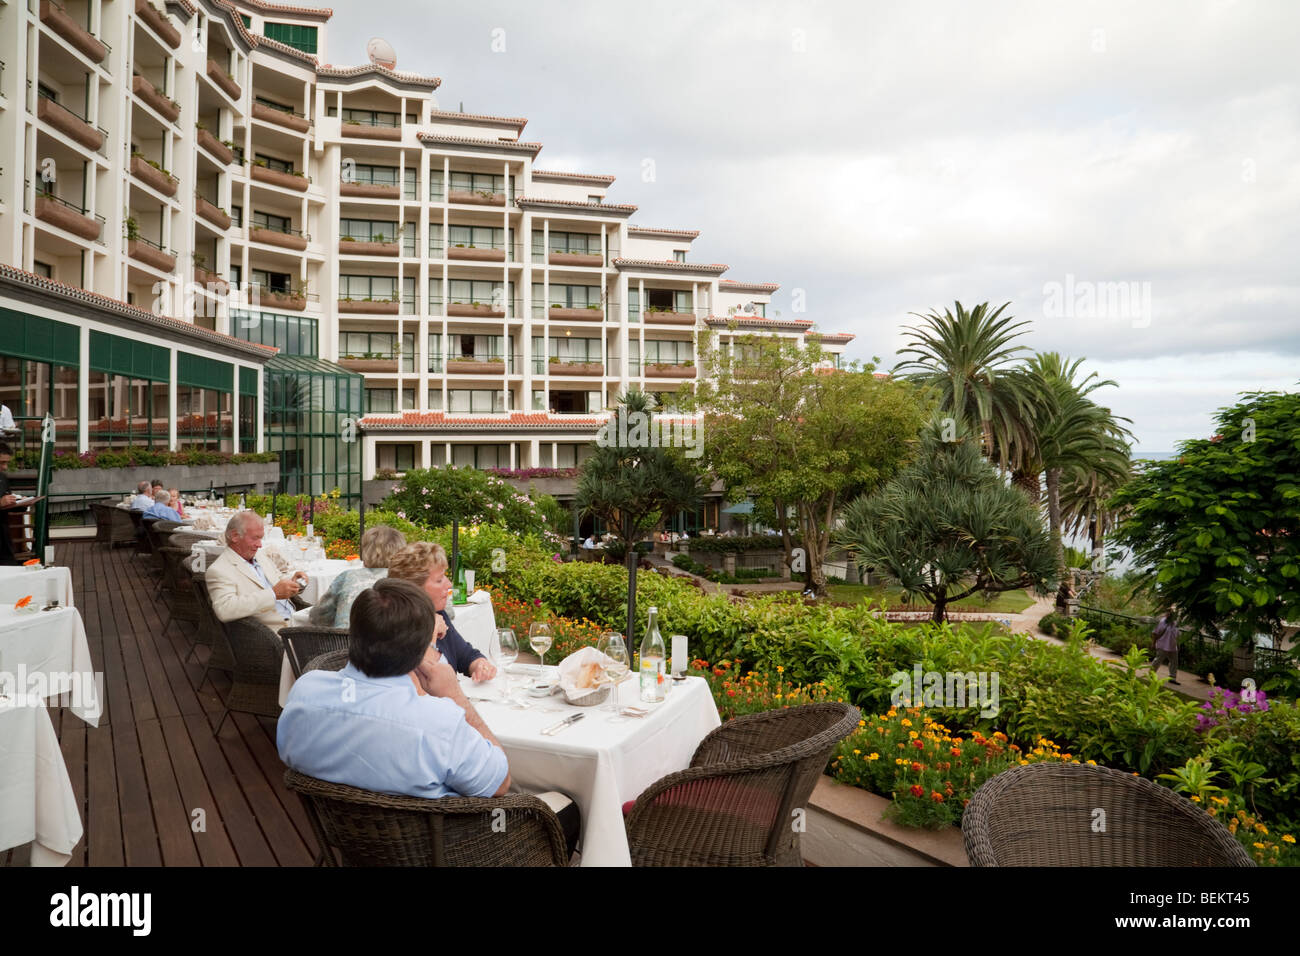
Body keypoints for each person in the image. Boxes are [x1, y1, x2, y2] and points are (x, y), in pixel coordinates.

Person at [276, 579, 582, 856]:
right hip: (447, 850)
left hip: (350, 843)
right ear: (423, 648)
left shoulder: (305, 692)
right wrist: (454, 695)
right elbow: (500, 782)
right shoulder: (436, 722)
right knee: (568, 807)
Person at [387, 541, 495, 681]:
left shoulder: (438, 614)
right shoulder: (393, 630)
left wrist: (480, 665)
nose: (449, 584)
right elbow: (422, 685)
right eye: (439, 580)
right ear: (414, 590)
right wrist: (431, 633)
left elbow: (466, 655)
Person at [205, 510, 306, 633]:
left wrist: (295, 582)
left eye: (261, 538)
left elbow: (278, 580)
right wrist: (273, 594)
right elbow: (224, 609)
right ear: (235, 536)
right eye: (255, 538)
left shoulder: (259, 555)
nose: (260, 545)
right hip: (274, 634)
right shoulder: (219, 570)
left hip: (296, 621)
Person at [309, 525, 405, 629]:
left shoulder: (348, 577)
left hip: (342, 643)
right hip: (390, 643)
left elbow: (317, 617)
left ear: (366, 550)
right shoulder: (404, 582)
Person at [0, 442, 18, 566]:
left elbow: (6, 502)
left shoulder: (3, 478)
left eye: (7, 462)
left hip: (4, 540)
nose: (5, 467)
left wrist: (20, 502)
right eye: (2, 462)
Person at [1152, 609, 1181, 685]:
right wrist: (1153, 643)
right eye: (1169, 613)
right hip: (1162, 645)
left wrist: (1178, 644)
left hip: (1173, 647)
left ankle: (1172, 678)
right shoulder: (1162, 622)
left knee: (1174, 662)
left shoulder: (1176, 623)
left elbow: (1177, 635)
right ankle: (1151, 674)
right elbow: (1155, 633)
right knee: (1158, 660)